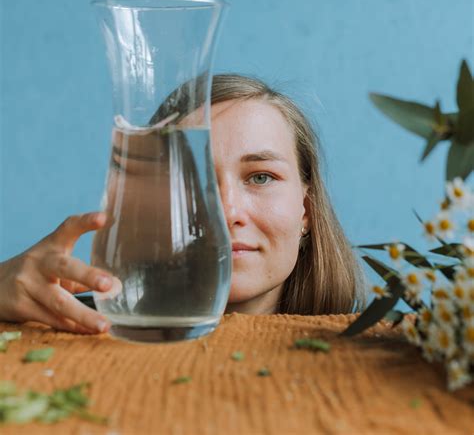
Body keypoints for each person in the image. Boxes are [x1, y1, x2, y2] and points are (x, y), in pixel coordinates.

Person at [0, 74, 367, 334]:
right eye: (193, 180)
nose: (226, 213)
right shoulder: (75, 324)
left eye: (261, 177)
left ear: (307, 211)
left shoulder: (381, 347)